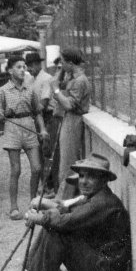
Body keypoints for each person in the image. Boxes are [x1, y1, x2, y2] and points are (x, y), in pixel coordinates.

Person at [9, 154, 131, 271]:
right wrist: (42, 215)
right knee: (53, 226)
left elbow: (66, 221)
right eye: (81, 176)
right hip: (100, 263)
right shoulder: (92, 197)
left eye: (91, 177)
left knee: (57, 230)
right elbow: (65, 212)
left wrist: (35, 217)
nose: (84, 182)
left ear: (103, 180)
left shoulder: (103, 202)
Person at [0, 55, 47, 220]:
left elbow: (37, 111)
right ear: (10, 70)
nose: (23, 70)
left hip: (29, 127)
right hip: (12, 129)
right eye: (19, 67)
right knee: (16, 170)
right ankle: (14, 208)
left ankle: (33, 203)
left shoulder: (30, 90)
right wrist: (0, 114)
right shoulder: (2, 91)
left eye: (24, 67)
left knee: (37, 168)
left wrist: (43, 129)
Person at [51, 48, 91, 199]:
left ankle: (65, 200)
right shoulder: (73, 78)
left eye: (62, 62)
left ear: (70, 62)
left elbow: (68, 105)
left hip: (74, 120)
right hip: (69, 120)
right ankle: (64, 198)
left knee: (67, 166)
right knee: (65, 164)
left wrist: (55, 91)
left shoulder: (80, 81)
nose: (60, 65)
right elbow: (57, 82)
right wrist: (62, 73)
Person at [25, 52, 56, 195]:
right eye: (27, 66)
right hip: (37, 119)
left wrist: (31, 111)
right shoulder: (30, 80)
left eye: (31, 66)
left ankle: (50, 186)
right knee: (38, 152)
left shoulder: (47, 79)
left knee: (47, 151)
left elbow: (43, 103)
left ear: (38, 64)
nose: (29, 69)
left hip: (48, 118)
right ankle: (45, 184)